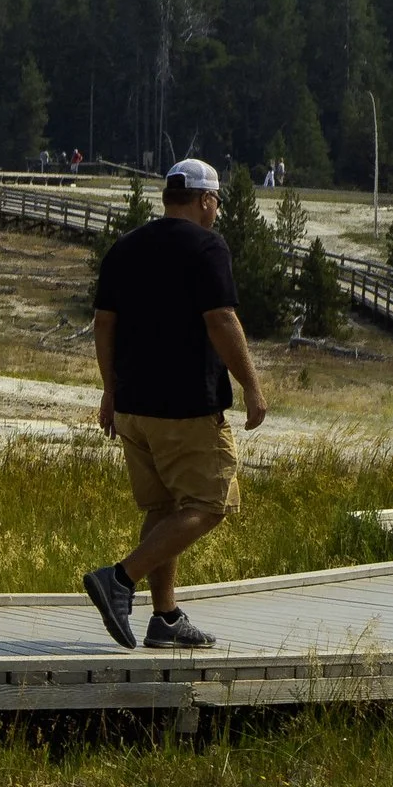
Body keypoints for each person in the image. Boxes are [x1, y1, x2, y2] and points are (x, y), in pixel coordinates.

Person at [83, 158, 269, 650]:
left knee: (164, 507)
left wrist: (109, 390)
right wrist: (251, 386)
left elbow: (104, 323)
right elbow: (222, 320)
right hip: (186, 408)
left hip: (133, 409)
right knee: (211, 503)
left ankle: (164, 618)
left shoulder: (126, 247)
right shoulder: (208, 246)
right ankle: (119, 579)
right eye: (217, 200)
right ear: (205, 200)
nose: (219, 208)